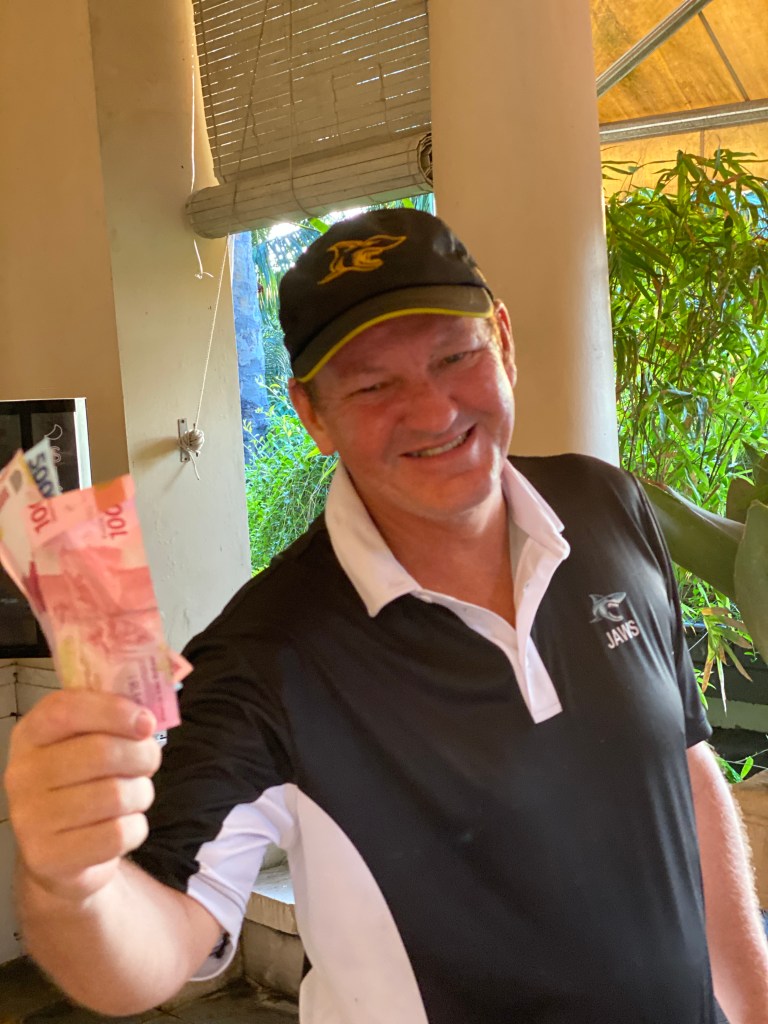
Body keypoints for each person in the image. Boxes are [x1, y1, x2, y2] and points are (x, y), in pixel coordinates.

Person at [5, 208, 768, 1024]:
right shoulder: (264, 657)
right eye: (373, 385)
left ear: (504, 343)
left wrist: (756, 999)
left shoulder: (607, 507)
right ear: (312, 414)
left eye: (456, 356)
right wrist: (72, 884)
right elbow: (160, 945)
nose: (434, 411)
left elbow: (686, 767)